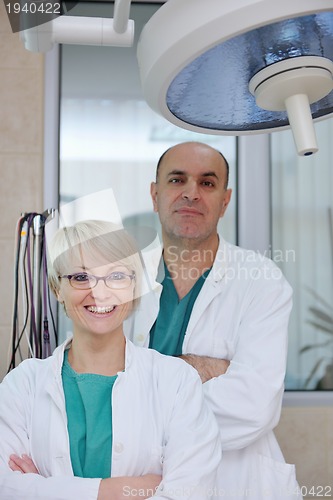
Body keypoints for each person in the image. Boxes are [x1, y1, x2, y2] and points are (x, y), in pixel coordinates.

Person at [125, 142, 302, 499]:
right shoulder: (122, 277)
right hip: (142, 481)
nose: (191, 193)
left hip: (237, 484)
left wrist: (143, 392)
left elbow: (254, 407)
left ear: (225, 200)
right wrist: (204, 369)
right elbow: (97, 384)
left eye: (207, 183)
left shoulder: (260, 279)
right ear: (155, 194)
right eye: (177, 180)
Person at [0, 219, 221, 500]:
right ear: (58, 289)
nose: (100, 292)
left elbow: (190, 493)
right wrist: (118, 491)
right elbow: (4, 487)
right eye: (81, 277)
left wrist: (43, 490)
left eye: (116, 276)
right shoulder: (23, 385)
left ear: (133, 287)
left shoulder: (175, 381)